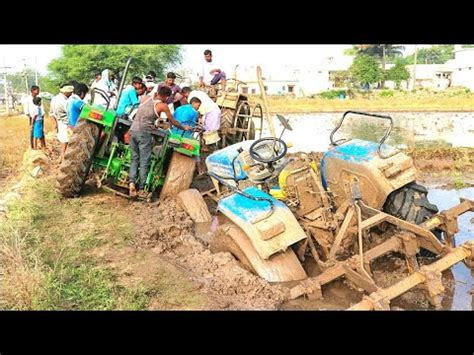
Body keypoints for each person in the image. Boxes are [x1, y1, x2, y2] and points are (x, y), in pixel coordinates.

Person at [128, 86, 192, 198]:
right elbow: (173, 121)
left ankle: (131, 182)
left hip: (133, 130)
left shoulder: (145, 98)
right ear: (167, 97)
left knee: (134, 158)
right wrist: (183, 128)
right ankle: (142, 188)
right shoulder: (162, 105)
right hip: (144, 133)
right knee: (145, 160)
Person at [51, 84, 74, 162]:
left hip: (59, 121)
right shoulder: (65, 102)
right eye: (70, 92)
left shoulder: (54, 99)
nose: (71, 94)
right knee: (66, 141)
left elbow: (51, 113)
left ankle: (61, 156)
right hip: (65, 122)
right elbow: (69, 113)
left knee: (62, 140)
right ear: (66, 92)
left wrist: (55, 123)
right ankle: (63, 157)